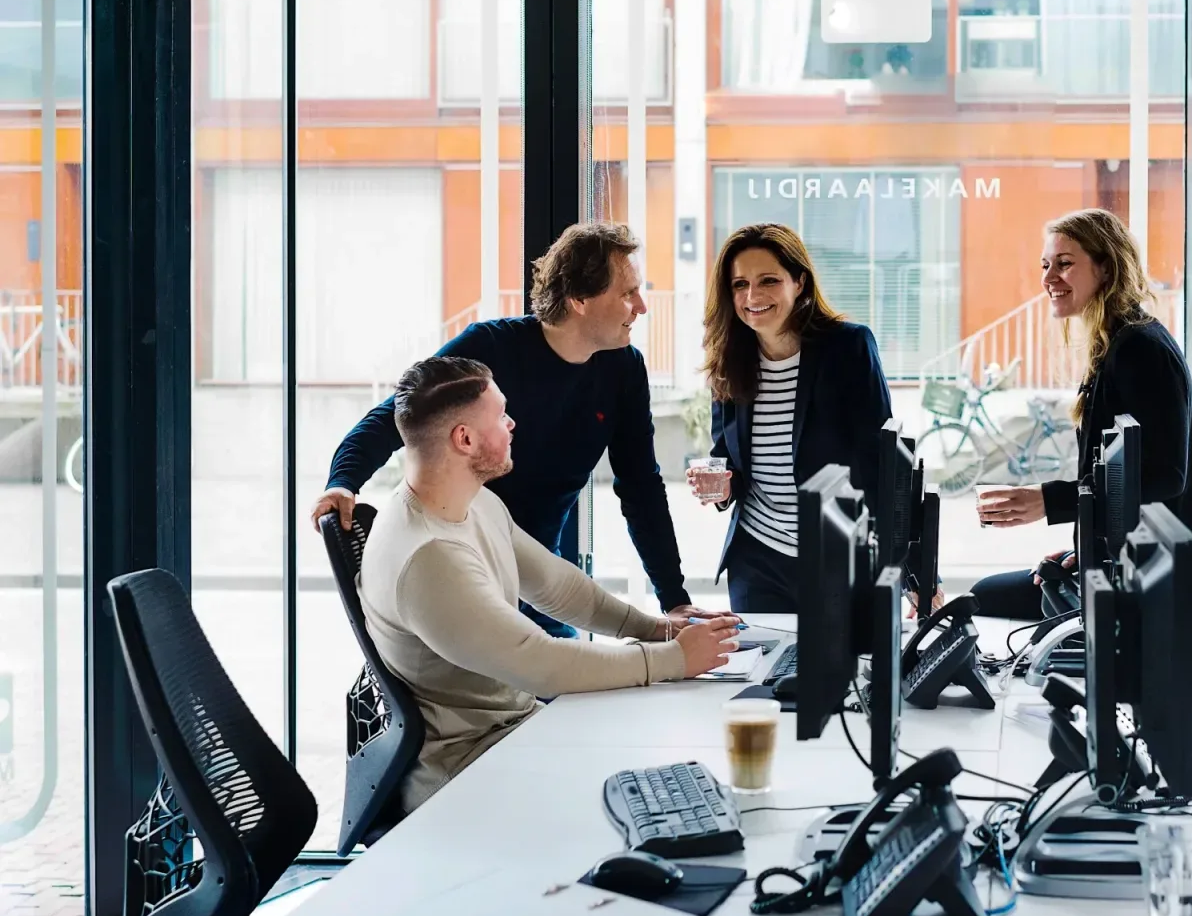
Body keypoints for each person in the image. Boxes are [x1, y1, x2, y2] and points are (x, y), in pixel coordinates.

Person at [311, 222, 730, 638]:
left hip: (541, 580)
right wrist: (343, 482)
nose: (641, 306)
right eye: (627, 293)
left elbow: (641, 488)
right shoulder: (490, 348)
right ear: (579, 299)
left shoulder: (624, 368)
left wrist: (674, 600)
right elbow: (395, 415)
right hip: (464, 571)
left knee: (566, 689)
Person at [358, 356, 739, 813]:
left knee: (661, 755)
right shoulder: (428, 557)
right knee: (648, 787)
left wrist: (659, 631)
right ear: (464, 439)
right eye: (501, 415)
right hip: (467, 770)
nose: (513, 423)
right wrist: (674, 660)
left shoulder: (470, 501)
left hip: (515, 731)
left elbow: (557, 587)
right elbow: (540, 663)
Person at [973, 208, 1192, 622]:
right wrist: (1088, 548)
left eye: (1064, 264)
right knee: (988, 596)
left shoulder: (1139, 349)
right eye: (1046, 265)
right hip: (1132, 562)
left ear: (1106, 268)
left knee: (983, 598)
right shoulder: (1118, 341)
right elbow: (1123, 472)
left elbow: (1166, 476)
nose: (1048, 279)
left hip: (1169, 580)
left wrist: (1048, 501)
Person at [686, 223, 905, 613]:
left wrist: (914, 572)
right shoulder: (728, 362)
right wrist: (719, 487)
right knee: (765, 672)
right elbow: (727, 459)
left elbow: (884, 464)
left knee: (844, 672)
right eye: (739, 284)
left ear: (799, 282)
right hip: (758, 561)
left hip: (839, 557)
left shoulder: (848, 348)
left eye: (768, 280)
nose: (752, 296)